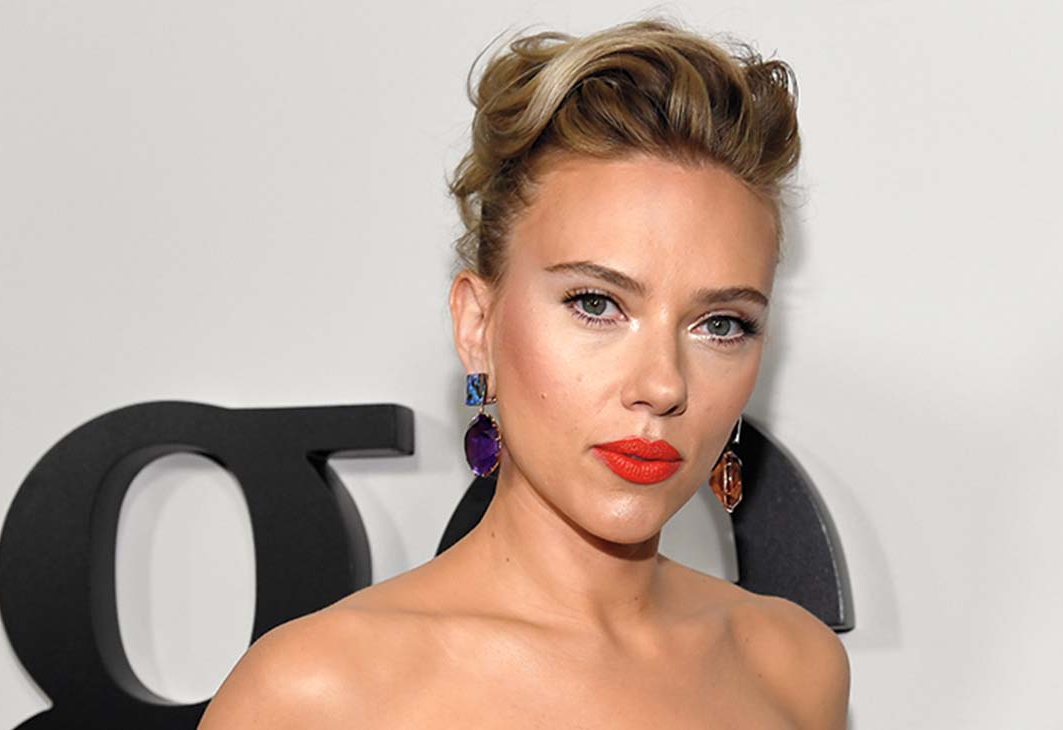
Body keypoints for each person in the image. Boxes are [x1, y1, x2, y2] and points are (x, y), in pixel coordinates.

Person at [199, 17, 849, 729]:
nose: (663, 385)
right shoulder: (315, 695)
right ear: (477, 326)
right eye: (596, 304)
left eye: (721, 324)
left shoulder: (794, 666)